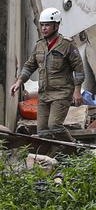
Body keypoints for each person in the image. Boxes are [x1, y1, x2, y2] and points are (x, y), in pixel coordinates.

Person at [10, 8, 84, 141]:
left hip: (61, 93)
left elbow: (78, 69)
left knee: (55, 126)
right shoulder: (39, 46)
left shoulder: (67, 45)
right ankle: (56, 155)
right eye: (42, 25)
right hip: (44, 94)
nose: (44, 28)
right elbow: (30, 65)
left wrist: (77, 91)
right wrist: (19, 82)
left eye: (47, 25)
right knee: (43, 132)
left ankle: (75, 148)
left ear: (56, 25)